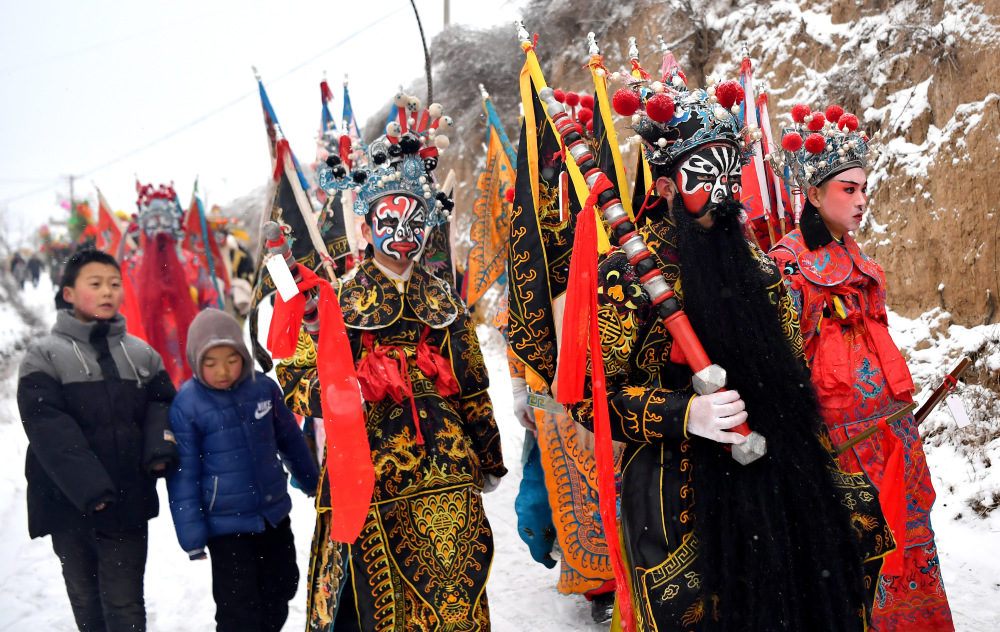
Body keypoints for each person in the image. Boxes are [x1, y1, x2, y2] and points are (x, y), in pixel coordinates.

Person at [564, 69, 894, 631]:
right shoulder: (625, 279)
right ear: (666, 186)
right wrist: (684, 413)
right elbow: (590, 397)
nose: (721, 192)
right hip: (677, 486)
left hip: (775, 473)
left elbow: (793, 374)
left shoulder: (763, 271)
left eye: (729, 174)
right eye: (702, 176)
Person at [274, 94, 507, 632]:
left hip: (447, 472)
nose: (402, 233)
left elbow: (472, 382)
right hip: (369, 471)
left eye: (414, 219)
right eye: (389, 218)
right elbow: (293, 374)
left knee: (455, 596)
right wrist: (343, 389)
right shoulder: (338, 299)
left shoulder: (443, 298)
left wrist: (488, 454)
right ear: (366, 221)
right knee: (375, 600)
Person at [769, 104, 954, 631]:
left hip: (891, 430)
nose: (861, 200)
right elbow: (785, 368)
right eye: (848, 189)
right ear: (811, 192)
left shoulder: (859, 258)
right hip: (839, 443)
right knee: (857, 549)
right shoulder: (786, 265)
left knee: (907, 534)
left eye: (864, 188)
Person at [17, 249, 178, 632]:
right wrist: (91, 488)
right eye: (96, 284)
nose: (108, 292)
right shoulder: (44, 356)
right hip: (67, 506)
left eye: (114, 284)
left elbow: (163, 404)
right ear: (69, 293)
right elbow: (48, 428)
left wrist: (159, 450)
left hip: (127, 502)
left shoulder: (141, 354)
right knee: (87, 600)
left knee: (125, 604)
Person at [165, 308, 319, 632]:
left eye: (231, 359)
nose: (223, 370)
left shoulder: (263, 389)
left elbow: (290, 439)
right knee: (239, 610)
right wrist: (192, 537)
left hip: (272, 514)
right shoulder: (187, 406)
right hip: (227, 527)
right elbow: (184, 478)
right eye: (211, 363)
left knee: (283, 586)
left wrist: (312, 481)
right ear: (196, 361)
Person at [122, 181, 220, 386]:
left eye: (165, 221)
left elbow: (210, 301)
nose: (159, 229)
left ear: (175, 224)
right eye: (152, 223)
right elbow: (122, 308)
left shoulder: (189, 261)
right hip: (144, 345)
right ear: (143, 227)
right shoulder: (132, 267)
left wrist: (210, 333)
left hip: (191, 345)